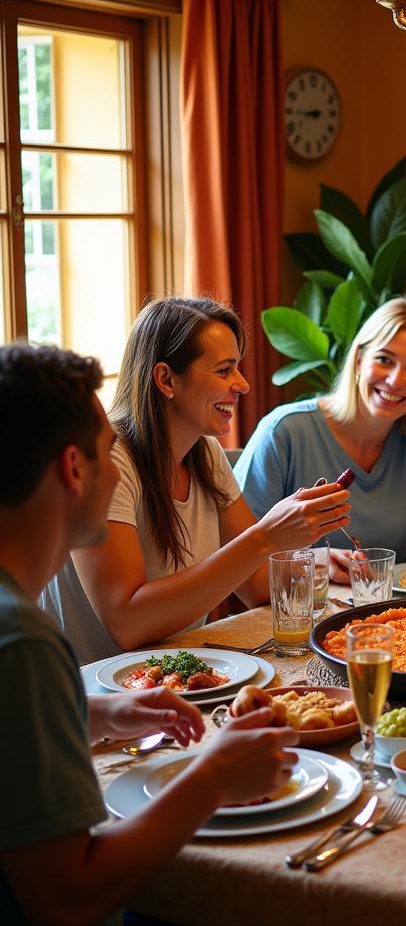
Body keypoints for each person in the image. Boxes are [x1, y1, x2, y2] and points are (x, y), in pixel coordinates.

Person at [0, 343, 300, 925]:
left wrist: (97, 713)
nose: (118, 471)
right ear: (72, 468)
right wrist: (213, 776)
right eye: (108, 453)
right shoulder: (24, 643)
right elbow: (67, 897)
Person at [42, 297, 350, 663]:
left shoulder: (206, 454)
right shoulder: (110, 462)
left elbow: (254, 587)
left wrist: (311, 555)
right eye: (224, 371)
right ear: (166, 379)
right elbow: (127, 623)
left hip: (172, 678)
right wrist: (266, 536)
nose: (243, 385)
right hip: (89, 696)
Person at [235, 297, 406, 580]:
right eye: (385, 360)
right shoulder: (284, 431)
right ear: (360, 359)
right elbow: (235, 557)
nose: (395, 381)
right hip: (286, 617)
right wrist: (311, 563)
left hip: (377, 619)